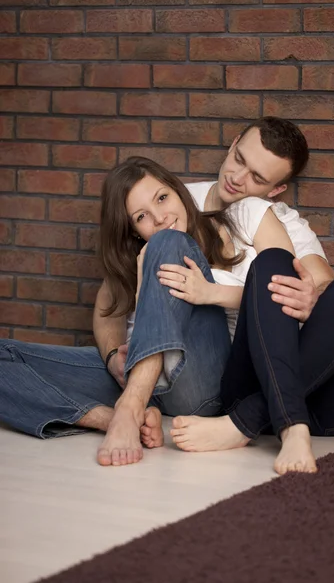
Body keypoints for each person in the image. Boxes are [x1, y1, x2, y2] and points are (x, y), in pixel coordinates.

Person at [94, 117, 334, 473]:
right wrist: (112, 356)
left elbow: (322, 284)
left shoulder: (273, 219)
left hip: (316, 397)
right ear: (232, 145)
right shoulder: (167, 206)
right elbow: (110, 300)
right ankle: (275, 425)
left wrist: (314, 298)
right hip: (218, 377)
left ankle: (242, 422)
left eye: (258, 178)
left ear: (276, 190)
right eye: (240, 159)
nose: (237, 178)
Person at [0, 156, 296, 467]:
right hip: (142, 381)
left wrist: (210, 293)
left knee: (169, 242)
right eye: (142, 216)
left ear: (179, 191)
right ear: (133, 229)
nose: (159, 217)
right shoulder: (134, 258)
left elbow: (285, 303)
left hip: (204, 383)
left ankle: (129, 409)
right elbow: (107, 313)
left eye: (163, 198)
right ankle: (110, 418)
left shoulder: (233, 225)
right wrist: (114, 355)